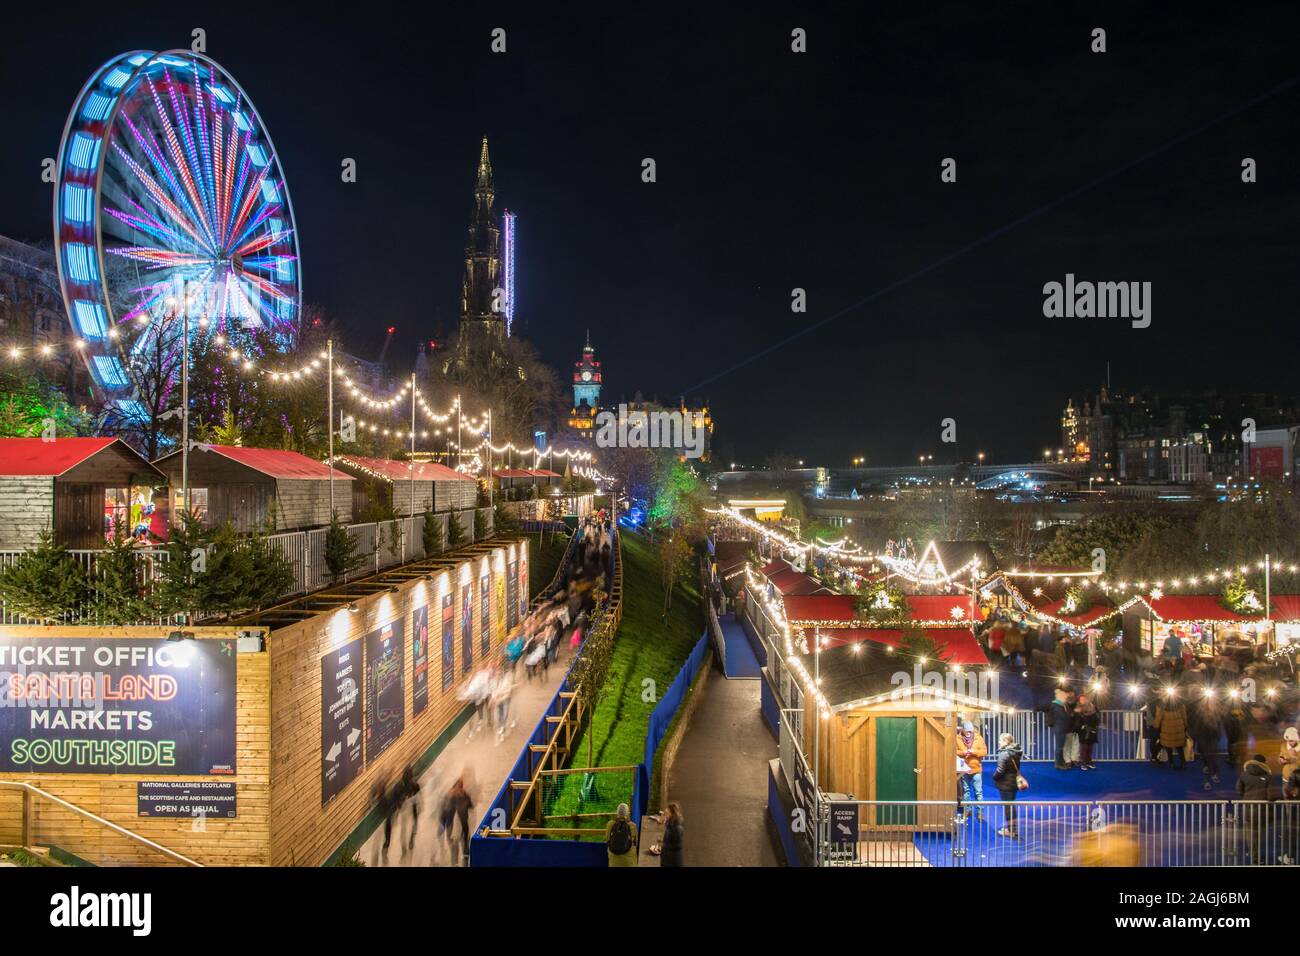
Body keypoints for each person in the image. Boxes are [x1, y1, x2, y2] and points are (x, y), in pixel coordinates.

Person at [1236, 754, 1273, 864]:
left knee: (1250, 834)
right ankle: (1255, 856)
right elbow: (1271, 796)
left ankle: (1253, 855)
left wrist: (1246, 797)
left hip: (1248, 808)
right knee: (1259, 833)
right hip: (1262, 811)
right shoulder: (1268, 776)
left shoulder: (1244, 775)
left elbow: (1238, 789)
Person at [991, 733, 1024, 838]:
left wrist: (994, 777)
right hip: (1013, 783)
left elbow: (1000, 771)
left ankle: (1011, 831)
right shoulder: (1016, 752)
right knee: (1011, 806)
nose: (999, 742)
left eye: (1000, 740)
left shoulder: (1004, 754)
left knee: (1008, 808)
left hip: (1005, 784)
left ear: (1006, 741)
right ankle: (1012, 829)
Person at [955, 719, 988, 821]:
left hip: (976, 768)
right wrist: (964, 752)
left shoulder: (979, 738)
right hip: (964, 769)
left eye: (970, 731)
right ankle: (967, 810)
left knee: (978, 792)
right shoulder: (957, 738)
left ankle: (980, 812)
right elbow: (953, 751)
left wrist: (974, 752)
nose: (969, 733)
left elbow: (984, 752)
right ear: (963, 730)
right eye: (967, 731)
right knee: (966, 791)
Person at [1153, 693, 1188, 770]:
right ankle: (1183, 762)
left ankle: (1171, 763)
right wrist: (1186, 726)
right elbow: (1184, 717)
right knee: (1179, 748)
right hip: (1178, 730)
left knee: (1168, 748)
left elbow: (1158, 719)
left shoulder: (1162, 707)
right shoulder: (1181, 705)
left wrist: (1156, 726)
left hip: (1167, 731)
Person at [1047, 688, 1074, 770]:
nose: (1066, 696)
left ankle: (1061, 762)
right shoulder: (1056, 705)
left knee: (1061, 747)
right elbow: (1062, 716)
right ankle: (1058, 764)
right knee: (1059, 747)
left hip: (1062, 728)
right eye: (1064, 695)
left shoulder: (1062, 705)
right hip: (1059, 728)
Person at [1073, 694, 1100, 770]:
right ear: (1079, 701)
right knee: (1084, 747)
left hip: (1092, 729)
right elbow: (1076, 720)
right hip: (1083, 730)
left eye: (1084, 699)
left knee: (1090, 746)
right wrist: (1079, 727)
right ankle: (1083, 763)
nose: (1083, 700)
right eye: (1081, 699)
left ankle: (1089, 761)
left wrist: (1096, 725)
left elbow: (1097, 716)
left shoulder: (1093, 707)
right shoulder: (1078, 709)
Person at [659, 802, 684, 867]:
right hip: (668, 858)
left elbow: (678, 845)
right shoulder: (670, 823)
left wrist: (665, 846)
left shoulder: (677, 827)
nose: (665, 815)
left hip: (672, 861)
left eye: (667, 813)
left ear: (672, 814)